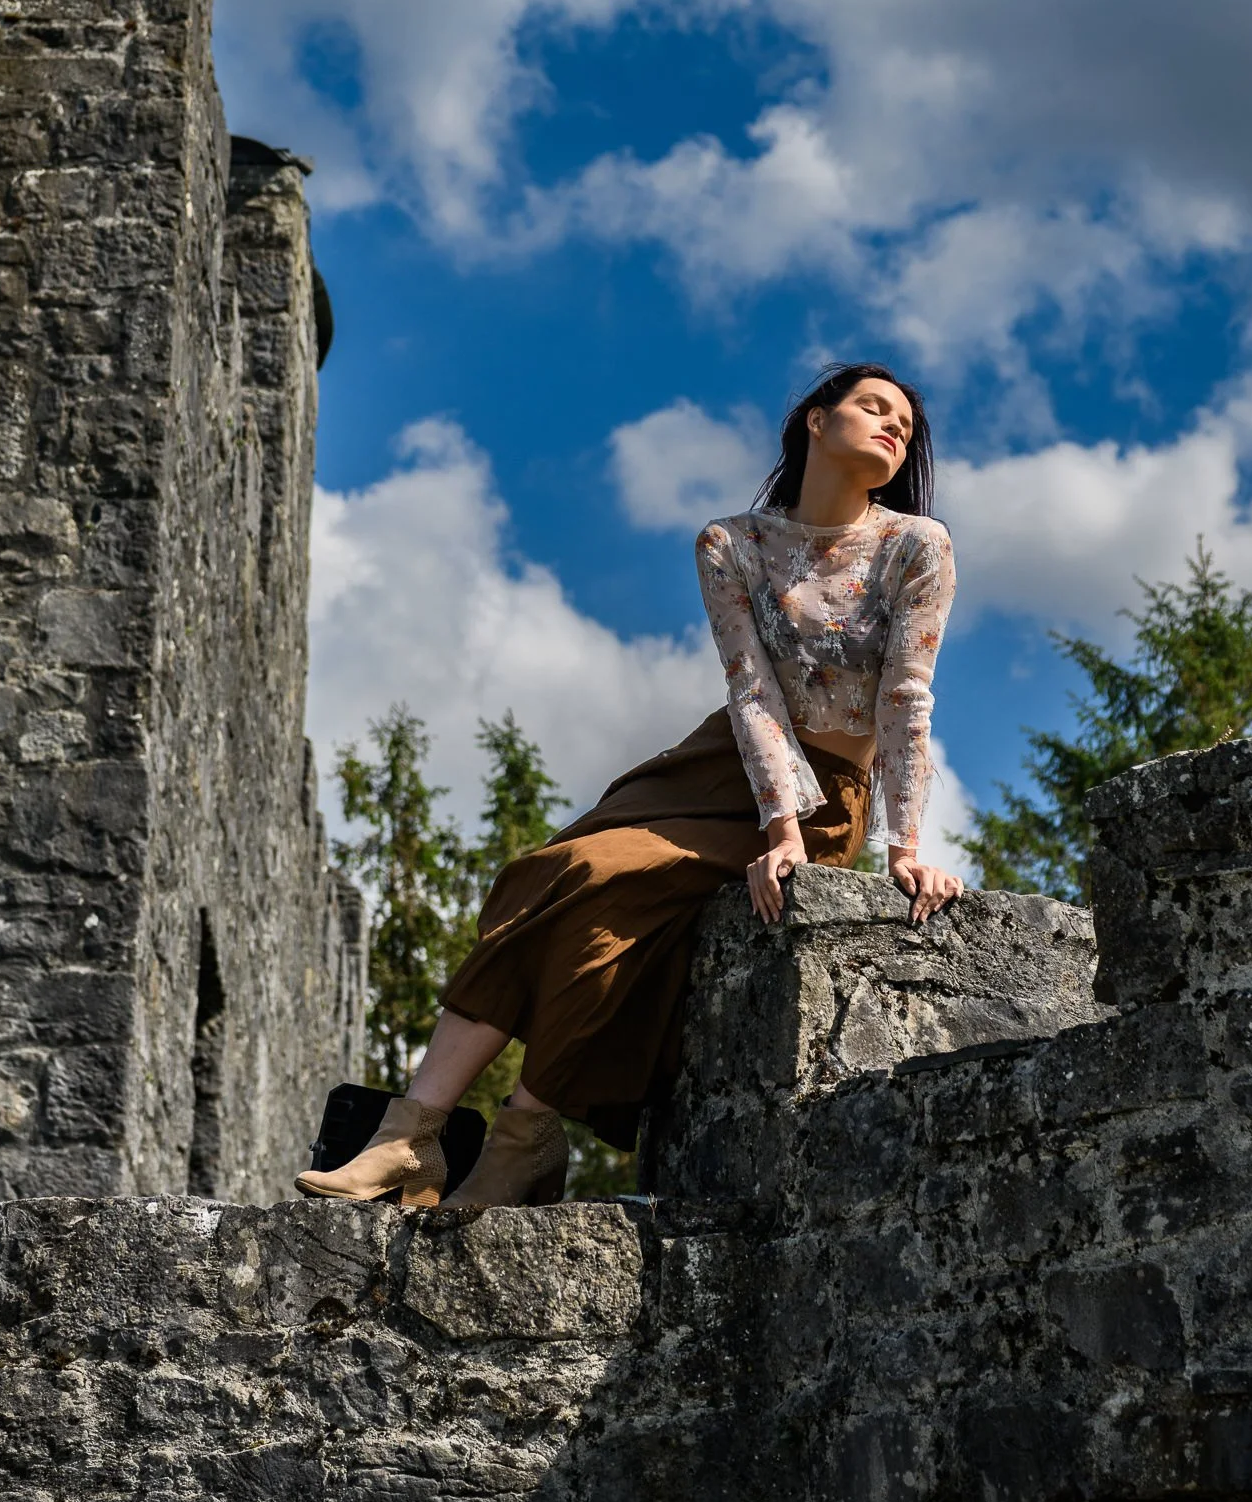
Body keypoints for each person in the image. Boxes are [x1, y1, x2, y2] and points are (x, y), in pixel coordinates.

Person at [295, 362, 963, 1211]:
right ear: (813, 421)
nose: (893, 428)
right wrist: (776, 825)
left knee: (608, 888)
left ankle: (520, 1140)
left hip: (833, 787)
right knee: (558, 875)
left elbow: (907, 696)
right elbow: (751, 692)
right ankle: (411, 1136)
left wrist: (901, 847)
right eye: (872, 407)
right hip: (724, 764)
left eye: (904, 423)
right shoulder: (731, 544)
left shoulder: (917, 545)